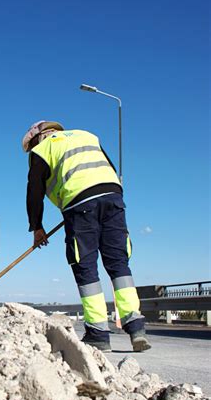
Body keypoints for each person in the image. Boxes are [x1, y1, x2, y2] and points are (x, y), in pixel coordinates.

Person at [23, 120, 151, 353]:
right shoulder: (87, 135)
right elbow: (109, 168)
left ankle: (98, 334)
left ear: (36, 138)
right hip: (112, 197)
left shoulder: (41, 150)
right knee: (119, 263)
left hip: (80, 204)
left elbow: (34, 192)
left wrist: (37, 227)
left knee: (85, 264)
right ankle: (136, 327)